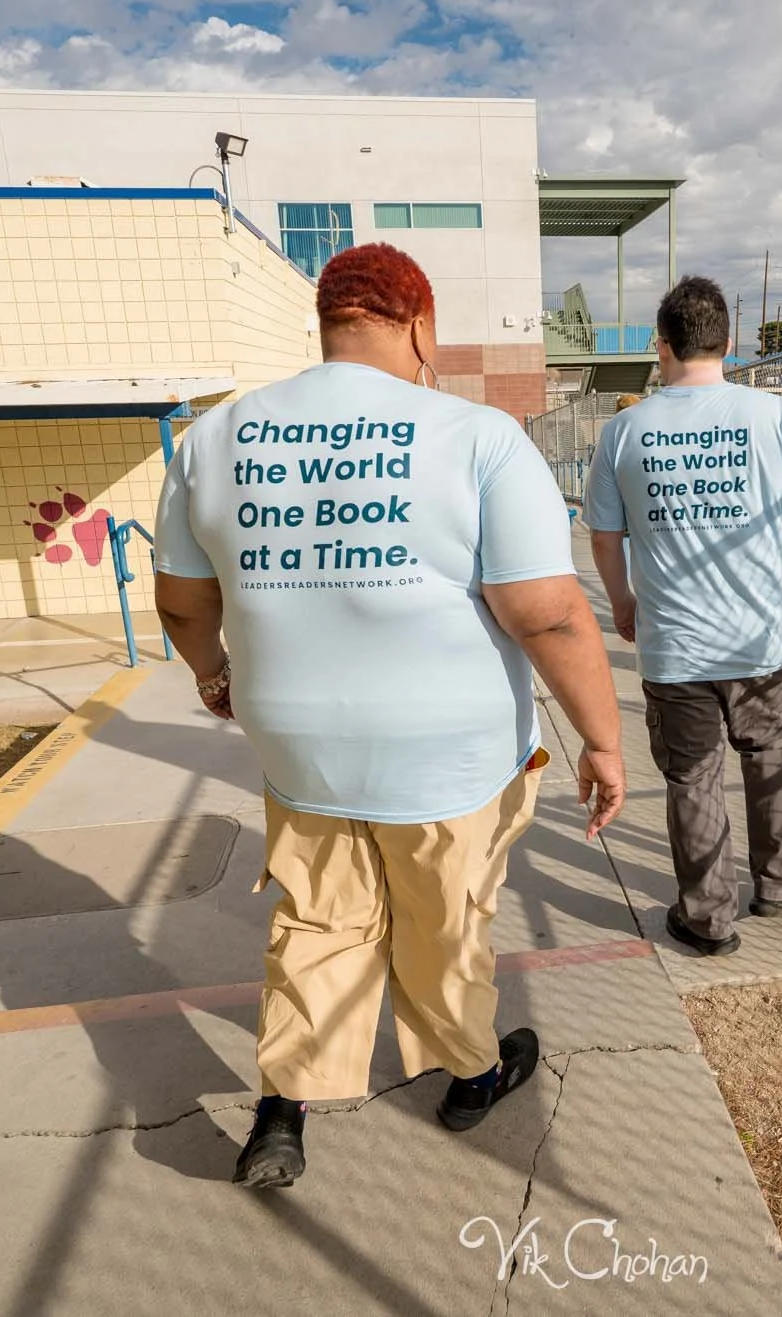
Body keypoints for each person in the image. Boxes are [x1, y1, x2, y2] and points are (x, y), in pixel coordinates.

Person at [153, 243, 626, 1189]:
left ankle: (282, 1108)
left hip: (301, 749)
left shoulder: (216, 438)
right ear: (420, 325)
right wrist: (605, 739)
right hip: (449, 754)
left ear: (327, 325)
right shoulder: (479, 437)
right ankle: (470, 1077)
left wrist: (213, 676)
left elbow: (181, 602)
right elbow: (546, 612)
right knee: (445, 919)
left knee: (318, 917)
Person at [584, 275, 782, 959]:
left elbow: (604, 538)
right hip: (765, 643)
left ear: (663, 345)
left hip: (676, 649)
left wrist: (622, 602)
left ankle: (707, 918)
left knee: (693, 780)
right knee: (774, 761)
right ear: (728, 344)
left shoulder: (624, 431)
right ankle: (779, 884)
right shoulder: (777, 418)